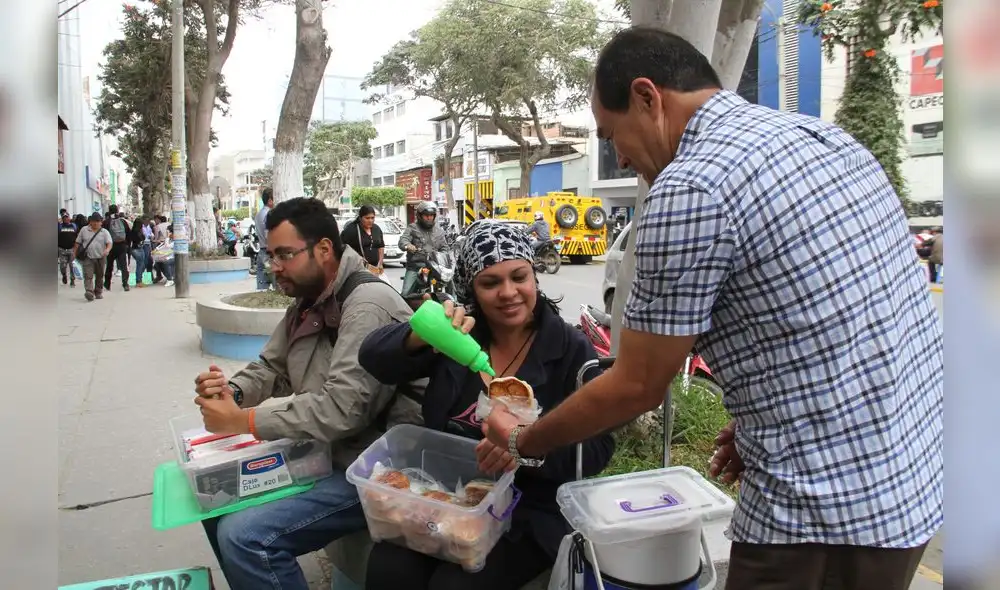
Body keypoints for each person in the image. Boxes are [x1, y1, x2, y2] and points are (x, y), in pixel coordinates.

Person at [483, 27, 943, 590]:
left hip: (820, 516)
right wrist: (765, 421)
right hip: (911, 485)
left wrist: (520, 441)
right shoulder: (825, 139)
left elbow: (637, 386)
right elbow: (854, 320)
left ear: (649, 98)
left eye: (611, 135)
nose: (621, 157)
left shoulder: (690, 187)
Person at [358, 222, 614, 590]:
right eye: (490, 282)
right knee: (389, 568)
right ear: (471, 289)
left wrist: (529, 446)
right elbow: (373, 359)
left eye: (519, 277)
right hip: (445, 496)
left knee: (455, 585)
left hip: (527, 511)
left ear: (534, 277)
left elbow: (599, 447)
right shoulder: (458, 339)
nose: (509, 293)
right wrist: (420, 333)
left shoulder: (569, 349)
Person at [192, 197, 422, 590]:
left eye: (284, 254)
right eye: (270, 255)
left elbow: (343, 409)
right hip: (326, 450)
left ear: (324, 249)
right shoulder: (309, 298)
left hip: (374, 468)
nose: (274, 267)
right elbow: (272, 366)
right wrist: (231, 391)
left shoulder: (367, 304)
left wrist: (243, 422)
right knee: (214, 497)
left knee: (246, 538)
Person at [399, 202, 448, 296]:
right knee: (405, 294)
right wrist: (408, 246)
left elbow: (445, 248)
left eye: (431, 215)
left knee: (450, 282)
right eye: (426, 215)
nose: (429, 218)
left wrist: (446, 255)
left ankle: (455, 302)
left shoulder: (439, 231)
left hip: (436, 268)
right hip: (416, 267)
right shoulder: (412, 228)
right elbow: (403, 240)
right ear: (420, 216)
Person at [73, 213, 113, 301]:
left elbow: (109, 243)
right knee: (88, 275)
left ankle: (98, 292)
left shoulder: (104, 232)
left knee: (99, 275)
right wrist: (74, 254)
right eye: (94, 221)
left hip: (100, 257)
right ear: (90, 222)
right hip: (88, 257)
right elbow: (77, 243)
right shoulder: (84, 230)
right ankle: (89, 292)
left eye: (98, 221)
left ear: (101, 222)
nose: (95, 223)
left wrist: (107, 250)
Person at [341, 205, 385, 273]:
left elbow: (381, 247)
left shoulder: (377, 229)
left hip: (376, 269)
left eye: (372, 218)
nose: (370, 220)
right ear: (361, 218)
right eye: (367, 218)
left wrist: (380, 263)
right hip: (358, 270)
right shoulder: (352, 230)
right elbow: (342, 247)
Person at [102, 204, 132, 292]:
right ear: (117, 211)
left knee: (109, 266)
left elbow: (103, 234)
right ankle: (125, 284)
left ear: (109, 211)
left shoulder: (106, 222)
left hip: (110, 246)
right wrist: (127, 245)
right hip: (122, 246)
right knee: (124, 266)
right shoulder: (123, 221)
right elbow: (128, 234)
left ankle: (107, 284)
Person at [254, 187, 274, 290]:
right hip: (269, 254)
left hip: (261, 253)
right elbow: (268, 236)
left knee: (261, 290)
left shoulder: (258, 215)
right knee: (278, 288)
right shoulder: (269, 215)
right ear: (270, 200)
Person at [126, 216, 149, 287]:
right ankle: (139, 281)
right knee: (140, 265)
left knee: (140, 264)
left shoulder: (131, 231)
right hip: (139, 249)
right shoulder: (139, 232)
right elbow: (143, 238)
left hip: (134, 249)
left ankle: (139, 280)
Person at [58, 212, 79, 287]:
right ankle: (64, 275)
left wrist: (76, 247)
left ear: (69, 218)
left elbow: (77, 236)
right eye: (64, 217)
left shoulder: (74, 226)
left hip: (71, 249)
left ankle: (72, 280)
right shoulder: (59, 226)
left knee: (72, 265)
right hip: (62, 249)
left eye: (67, 217)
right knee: (63, 266)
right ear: (62, 218)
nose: (66, 219)